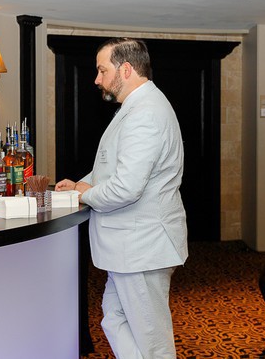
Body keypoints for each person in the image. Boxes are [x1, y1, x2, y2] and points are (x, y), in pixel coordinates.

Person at [55, 38, 188, 358]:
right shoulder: (138, 105)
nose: (96, 79)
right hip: (133, 246)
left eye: (102, 70)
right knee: (114, 318)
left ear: (126, 69)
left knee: (152, 341)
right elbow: (113, 167)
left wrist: (86, 194)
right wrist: (81, 184)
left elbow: (127, 187)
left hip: (141, 245)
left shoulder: (145, 113)